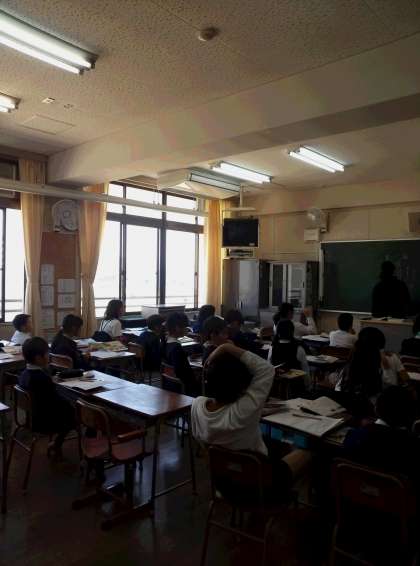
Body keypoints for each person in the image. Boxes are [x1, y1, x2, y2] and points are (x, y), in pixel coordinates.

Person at [191, 343, 310, 500]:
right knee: (310, 450)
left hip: (224, 484)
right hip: (259, 485)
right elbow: (267, 369)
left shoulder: (197, 405)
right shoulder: (242, 411)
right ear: (241, 385)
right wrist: (225, 347)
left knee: (275, 443)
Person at [344, 386, 420, 484]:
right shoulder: (412, 446)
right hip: (394, 492)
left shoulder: (354, 435)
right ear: (412, 416)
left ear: (376, 409)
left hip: (355, 488)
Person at [19, 337, 75, 456]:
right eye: (47, 353)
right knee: (80, 413)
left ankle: (57, 444)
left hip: (33, 417)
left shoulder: (24, 374)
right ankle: (91, 452)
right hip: (45, 421)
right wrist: (73, 401)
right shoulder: (41, 379)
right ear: (38, 358)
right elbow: (57, 402)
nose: (49, 356)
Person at [335, 327, 408, 414]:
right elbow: (405, 379)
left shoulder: (349, 366)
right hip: (378, 412)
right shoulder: (389, 359)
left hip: (348, 412)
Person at [163, 312, 199, 396]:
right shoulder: (176, 348)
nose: (187, 329)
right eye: (185, 327)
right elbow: (183, 373)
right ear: (177, 328)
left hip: (169, 383)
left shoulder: (166, 342)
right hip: (182, 387)